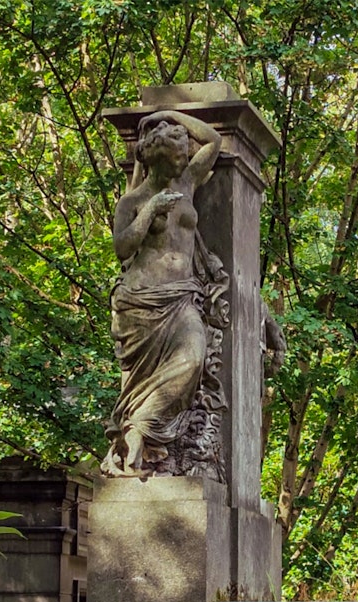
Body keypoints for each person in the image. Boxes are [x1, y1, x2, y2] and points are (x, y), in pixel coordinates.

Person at [102, 110, 227, 477]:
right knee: (157, 372)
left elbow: (214, 141)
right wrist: (150, 212)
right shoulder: (133, 201)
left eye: (182, 156)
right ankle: (136, 437)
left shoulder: (187, 183)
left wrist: (170, 115)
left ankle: (141, 425)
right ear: (156, 161)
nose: (182, 162)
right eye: (175, 158)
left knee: (192, 358)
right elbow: (122, 249)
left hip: (180, 298)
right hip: (140, 299)